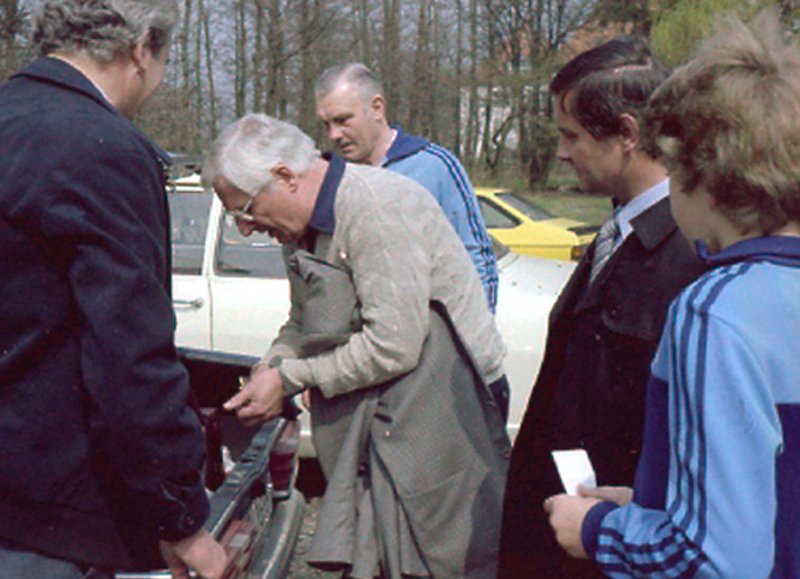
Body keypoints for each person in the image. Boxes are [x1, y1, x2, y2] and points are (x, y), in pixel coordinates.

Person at [544, 11, 800, 577]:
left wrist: (597, 529)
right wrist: (647, 508)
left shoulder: (717, 312)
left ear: (699, 172)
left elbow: (712, 557)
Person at [205, 113, 510, 578]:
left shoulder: (374, 207)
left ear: (285, 177)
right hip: (382, 416)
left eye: (244, 210)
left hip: (443, 417)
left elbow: (394, 345)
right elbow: (302, 321)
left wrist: (291, 378)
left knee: (439, 558)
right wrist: (272, 366)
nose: (245, 228)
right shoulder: (298, 229)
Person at [0, 1, 226, 577]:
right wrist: (180, 516)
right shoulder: (103, 150)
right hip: (48, 523)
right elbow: (129, 359)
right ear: (142, 47)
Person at [499, 36, 704, 578]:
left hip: (613, 549)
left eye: (571, 136)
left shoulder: (688, 253)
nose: (562, 152)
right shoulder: (619, 231)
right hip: (571, 531)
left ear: (627, 136)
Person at [314, 62, 499, 314]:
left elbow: (476, 256)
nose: (334, 134)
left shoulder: (434, 166)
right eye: (326, 125)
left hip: (433, 336)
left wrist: (472, 341)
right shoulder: (333, 180)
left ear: (376, 108)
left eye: (343, 120)